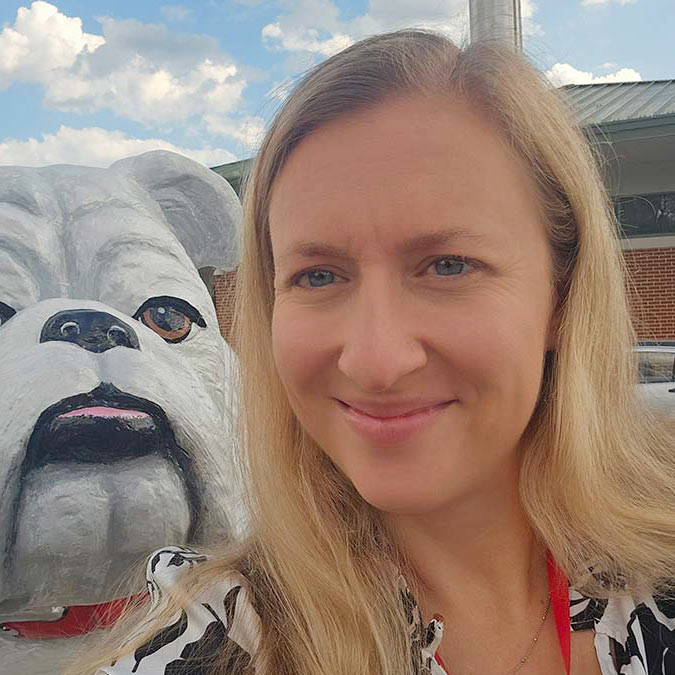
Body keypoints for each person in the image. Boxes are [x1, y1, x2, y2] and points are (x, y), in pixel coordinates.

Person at [68, 29, 675, 675]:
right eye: (319, 275)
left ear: (560, 294)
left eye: (447, 264)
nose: (374, 360)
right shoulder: (215, 648)